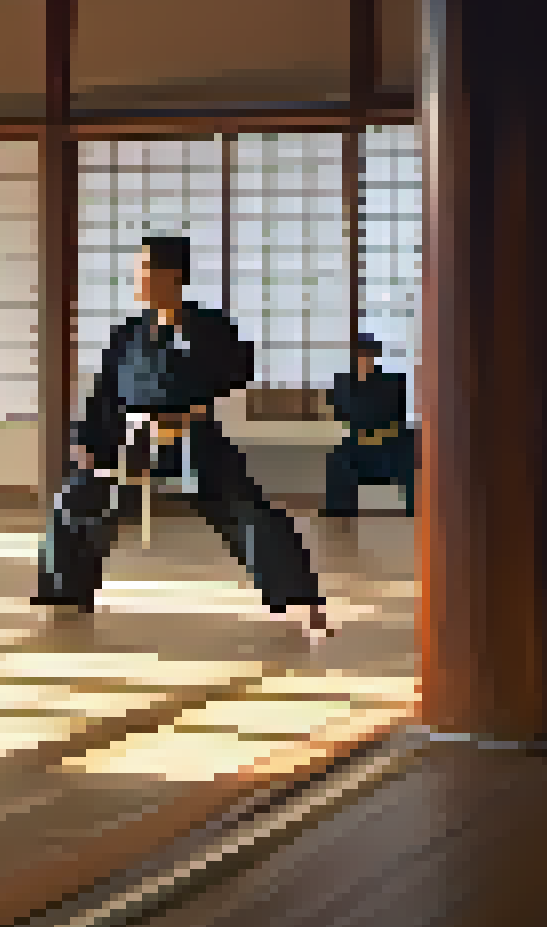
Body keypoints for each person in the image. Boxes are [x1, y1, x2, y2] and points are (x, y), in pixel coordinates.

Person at [34, 236, 332, 640]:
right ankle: (64, 598)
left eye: (144, 270)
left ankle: (299, 599)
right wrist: (86, 441)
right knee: (75, 497)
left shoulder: (211, 329)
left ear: (171, 276)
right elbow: (104, 394)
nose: (136, 279)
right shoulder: (127, 334)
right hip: (130, 438)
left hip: (194, 437)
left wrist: (192, 413)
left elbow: (237, 382)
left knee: (247, 509)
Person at [324, 334, 416, 517]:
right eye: (360, 355)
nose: (364, 359)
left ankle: (414, 510)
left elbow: (400, 421)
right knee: (337, 457)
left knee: (407, 446)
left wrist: (381, 434)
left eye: (369, 355)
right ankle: (340, 517)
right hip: (357, 443)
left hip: (388, 443)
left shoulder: (393, 382)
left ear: (375, 356)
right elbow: (337, 418)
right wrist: (359, 435)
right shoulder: (342, 383)